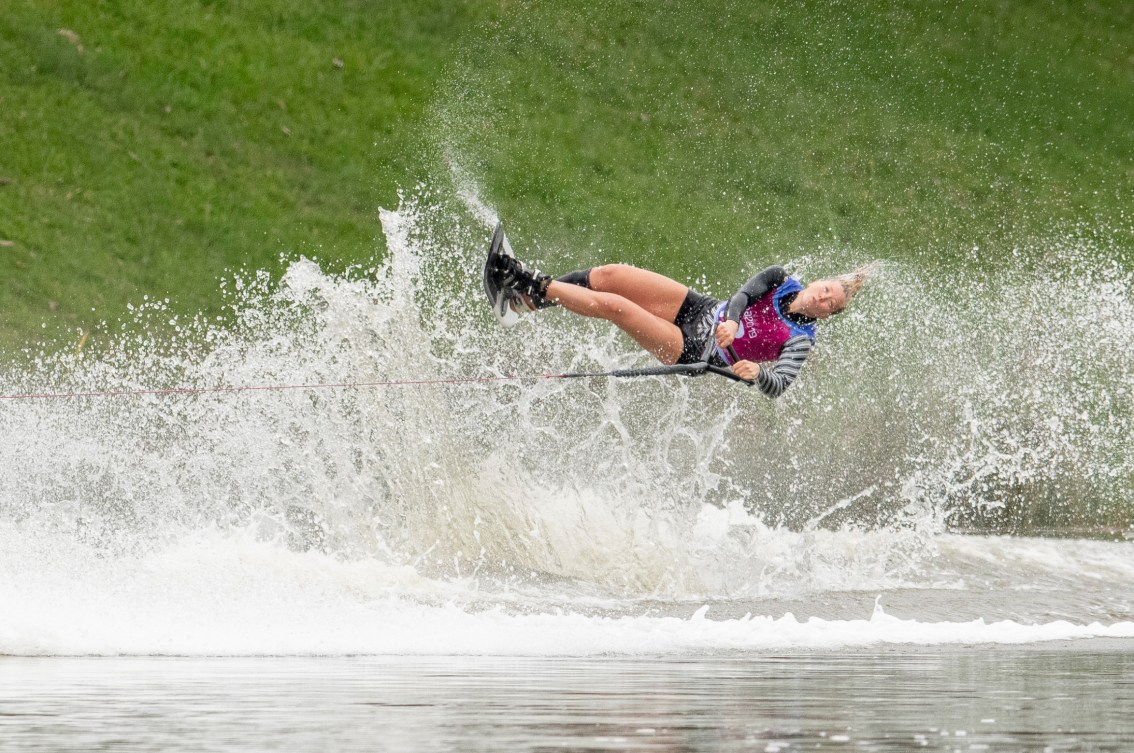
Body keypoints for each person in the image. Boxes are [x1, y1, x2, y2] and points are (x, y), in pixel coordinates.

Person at [491, 237, 871, 398]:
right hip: (700, 309)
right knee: (611, 276)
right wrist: (733, 320)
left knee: (618, 309)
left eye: (829, 303)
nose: (821, 297)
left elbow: (782, 383)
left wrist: (760, 373)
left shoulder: (800, 338)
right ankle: (527, 301)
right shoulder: (779, 278)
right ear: (819, 281)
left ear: (829, 314)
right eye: (825, 289)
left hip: (694, 352)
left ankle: (526, 280)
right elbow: (743, 295)